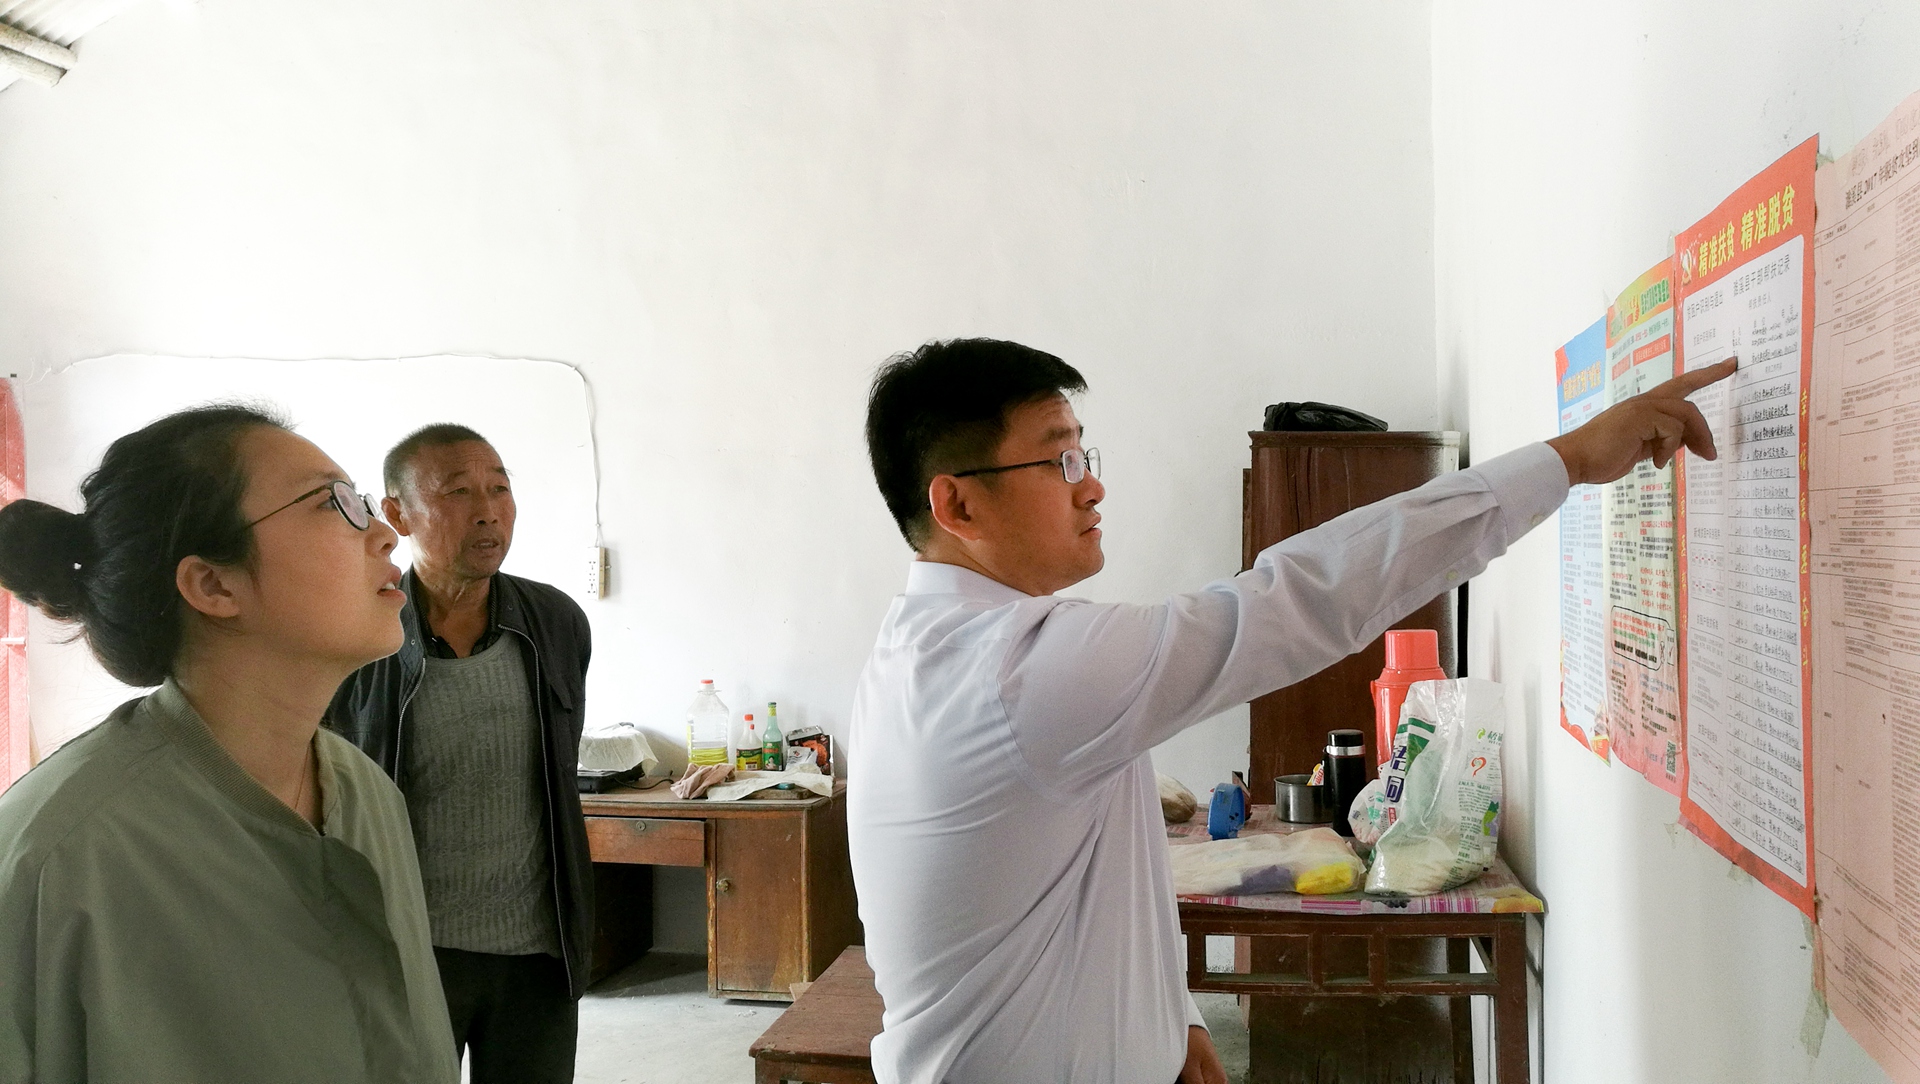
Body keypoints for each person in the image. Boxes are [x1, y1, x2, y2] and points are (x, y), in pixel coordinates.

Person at [850, 337, 1737, 1084]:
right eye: (1059, 460)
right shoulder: (1015, 673)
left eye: (1087, 456)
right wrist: (1569, 460)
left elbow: (1083, 872)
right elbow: (1300, 597)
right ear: (956, 502)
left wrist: (1172, 1019)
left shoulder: (928, 649)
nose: (1092, 487)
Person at [0, 404, 457, 1084]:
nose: (386, 534)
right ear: (214, 584)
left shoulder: (370, 797)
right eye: (332, 503)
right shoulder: (57, 855)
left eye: (362, 501)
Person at [326, 424, 592, 1084]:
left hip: (539, 955)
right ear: (397, 514)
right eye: (458, 492)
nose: (488, 511)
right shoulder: (357, 634)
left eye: (500, 489)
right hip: (408, 952)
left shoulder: (556, 622)